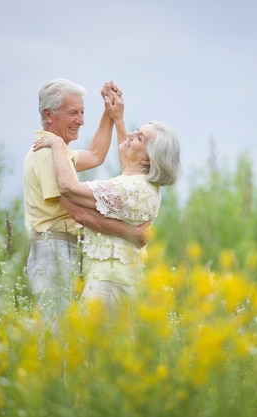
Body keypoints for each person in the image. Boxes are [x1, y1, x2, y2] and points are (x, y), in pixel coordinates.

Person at [32, 88, 181, 317]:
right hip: (121, 281)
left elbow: (69, 189)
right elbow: (128, 167)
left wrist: (58, 146)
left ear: (148, 159)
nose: (131, 134)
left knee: (91, 349)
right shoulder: (142, 185)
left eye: (139, 137)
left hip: (107, 284)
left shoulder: (130, 189)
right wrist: (116, 118)